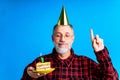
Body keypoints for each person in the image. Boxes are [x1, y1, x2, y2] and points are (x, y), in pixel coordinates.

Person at [21, 7, 118, 80]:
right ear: (52, 38)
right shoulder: (40, 62)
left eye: (67, 35)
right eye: (58, 35)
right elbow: (27, 75)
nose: (62, 39)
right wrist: (29, 75)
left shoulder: (86, 63)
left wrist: (101, 52)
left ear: (73, 39)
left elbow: (112, 78)